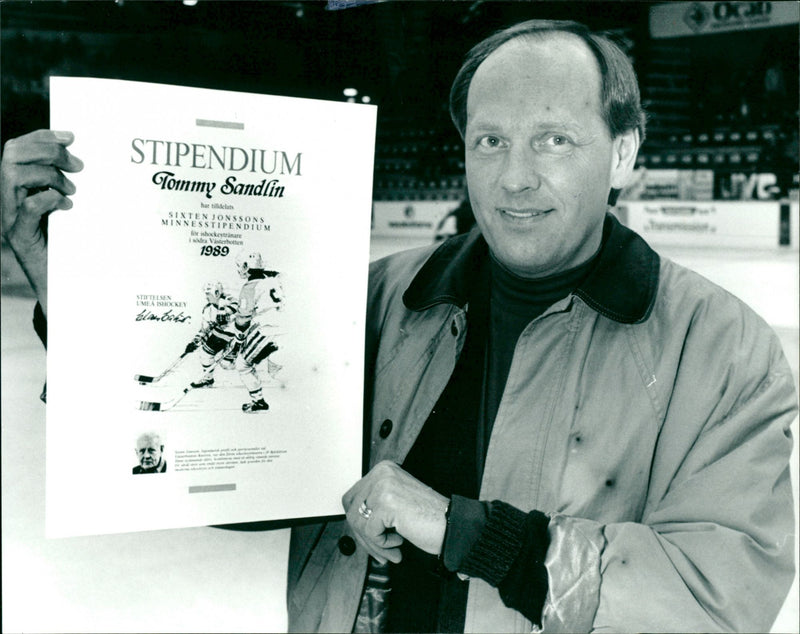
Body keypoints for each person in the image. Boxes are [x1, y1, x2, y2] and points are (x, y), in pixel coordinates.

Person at [0, 19, 796, 634]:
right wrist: (77, 301)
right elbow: (227, 470)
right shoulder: (377, 300)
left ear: (624, 153)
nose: (516, 176)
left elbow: (719, 596)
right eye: (490, 141)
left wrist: (474, 535)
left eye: (555, 139)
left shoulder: (727, 352)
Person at [233, 250, 284, 413]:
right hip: (288, 325)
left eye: (240, 266)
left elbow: (242, 320)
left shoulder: (249, 287)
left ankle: (258, 401)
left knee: (242, 364)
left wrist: (239, 336)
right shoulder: (274, 279)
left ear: (246, 266)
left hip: (268, 330)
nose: (239, 269)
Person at [186, 281, 239, 389]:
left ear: (217, 293)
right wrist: (195, 341)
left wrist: (225, 311)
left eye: (208, 294)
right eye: (205, 294)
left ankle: (249, 359)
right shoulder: (208, 310)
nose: (206, 297)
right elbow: (205, 329)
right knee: (205, 355)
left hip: (237, 336)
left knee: (227, 364)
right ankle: (207, 380)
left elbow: (237, 305)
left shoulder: (229, 300)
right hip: (220, 335)